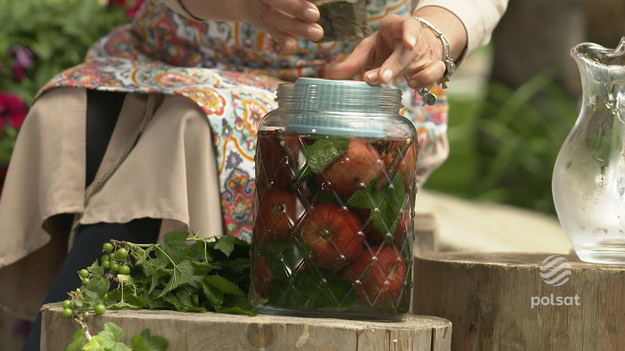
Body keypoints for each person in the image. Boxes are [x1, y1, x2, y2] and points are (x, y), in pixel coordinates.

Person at [0, 0, 508, 349]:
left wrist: (436, 32)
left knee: (188, 124)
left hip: (342, 99)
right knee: (70, 108)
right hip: (161, 60)